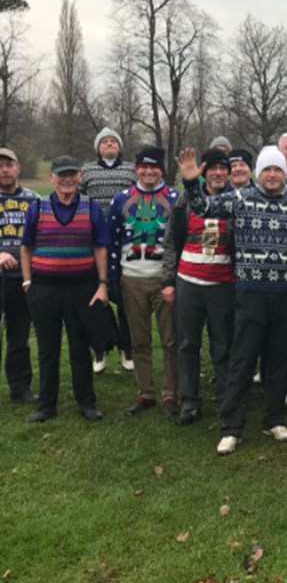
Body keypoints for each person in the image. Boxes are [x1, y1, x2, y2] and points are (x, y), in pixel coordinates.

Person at [176, 145, 287, 455]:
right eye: (267, 169)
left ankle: (273, 419)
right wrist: (190, 181)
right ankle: (231, 427)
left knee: (278, 361)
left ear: (285, 173)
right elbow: (203, 208)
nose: (272, 175)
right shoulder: (241, 198)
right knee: (241, 361)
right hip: (251, 294)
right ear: (259, 173)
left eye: (278, 169)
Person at [20, 155, 109, 423]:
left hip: (81, 288)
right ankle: (47, 404)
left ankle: (87, 401)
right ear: (52, 178)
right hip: (44, 290)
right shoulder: (37, 207)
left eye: (72, 174)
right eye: (61, 175)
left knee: (80, 347)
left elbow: (100, 247)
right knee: (47, 350)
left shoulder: (91, 207)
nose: (67, 179)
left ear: (80, 177)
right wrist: (27, 281)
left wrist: (103, 284)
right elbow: (26, 247)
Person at [162, 148, 235, 424]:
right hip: (188, 283)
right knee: (187, 344)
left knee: (223, 345)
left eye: (223, 168)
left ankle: (226, 397)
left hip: (223, 285)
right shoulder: (184, 201)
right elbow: (171, 241)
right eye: (212, 168)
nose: (218, 173)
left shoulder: (236, 200)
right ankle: (190, 401)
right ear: (204, 171)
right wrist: (168, 281)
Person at [108, 147, 180, 418]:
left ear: (161, 169)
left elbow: (181, 239)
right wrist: (113, 278)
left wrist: (175, 278)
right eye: (144, 167)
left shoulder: (175, 198)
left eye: (154, 167)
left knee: (171, 341)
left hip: (164, 279)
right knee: (139, 340)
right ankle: (145, 392)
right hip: (132, 278)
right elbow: (113, 239)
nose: (149, 172)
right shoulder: (121, 199)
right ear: (136, 169)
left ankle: (170, 394)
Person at [79, 126, 137, 373]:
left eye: (114, 141)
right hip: (93, 243)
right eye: (105, 141)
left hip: (124, 242)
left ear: (120, 146)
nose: (110, 144)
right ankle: (100, 348)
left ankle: (127, 347)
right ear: (98, 147)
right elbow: (78, 200)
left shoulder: (132, 171)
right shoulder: (87, 171)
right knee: (95, 299)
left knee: (126, 300)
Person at [0, 148, 39, 404]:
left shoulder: (34, 200)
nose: (4, 170)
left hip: (22, 278)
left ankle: (20, 387)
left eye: (8, 164)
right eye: (0, 166)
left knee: (19, 336)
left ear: (18, 168)